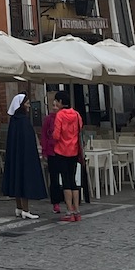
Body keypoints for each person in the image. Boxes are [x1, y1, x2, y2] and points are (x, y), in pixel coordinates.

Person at [1, 94, 47, 219]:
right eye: (26, 103)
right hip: (24, 157)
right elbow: (27, 141)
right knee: (24, 180)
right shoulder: (23, 121)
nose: (29, 106)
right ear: (21, 105)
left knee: (17, 179)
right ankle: (25, 209)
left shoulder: (14, 121)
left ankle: (19, 207)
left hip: (16, 155)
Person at [49, 91, 83, 223]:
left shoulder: (60, 115)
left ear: (61, 102)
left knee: (66, 181)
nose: (56, 103)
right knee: (73, 180)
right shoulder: (76, 114)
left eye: (57, 101)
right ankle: (77, 210)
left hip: (62, 151)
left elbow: (56, 135)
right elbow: (80, 129)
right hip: (74, 151)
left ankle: (69, 211)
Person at [40, 94, 64, 215]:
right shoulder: (48, 119)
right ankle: (56, 202)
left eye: (56, 105)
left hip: (63, 151)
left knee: (65, 177)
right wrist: (44, 150)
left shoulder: (64, 118)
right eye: (53, 105)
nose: (54, 108)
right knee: (54, 178)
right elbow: (43, 135)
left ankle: (67, 199)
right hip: (52, 152)